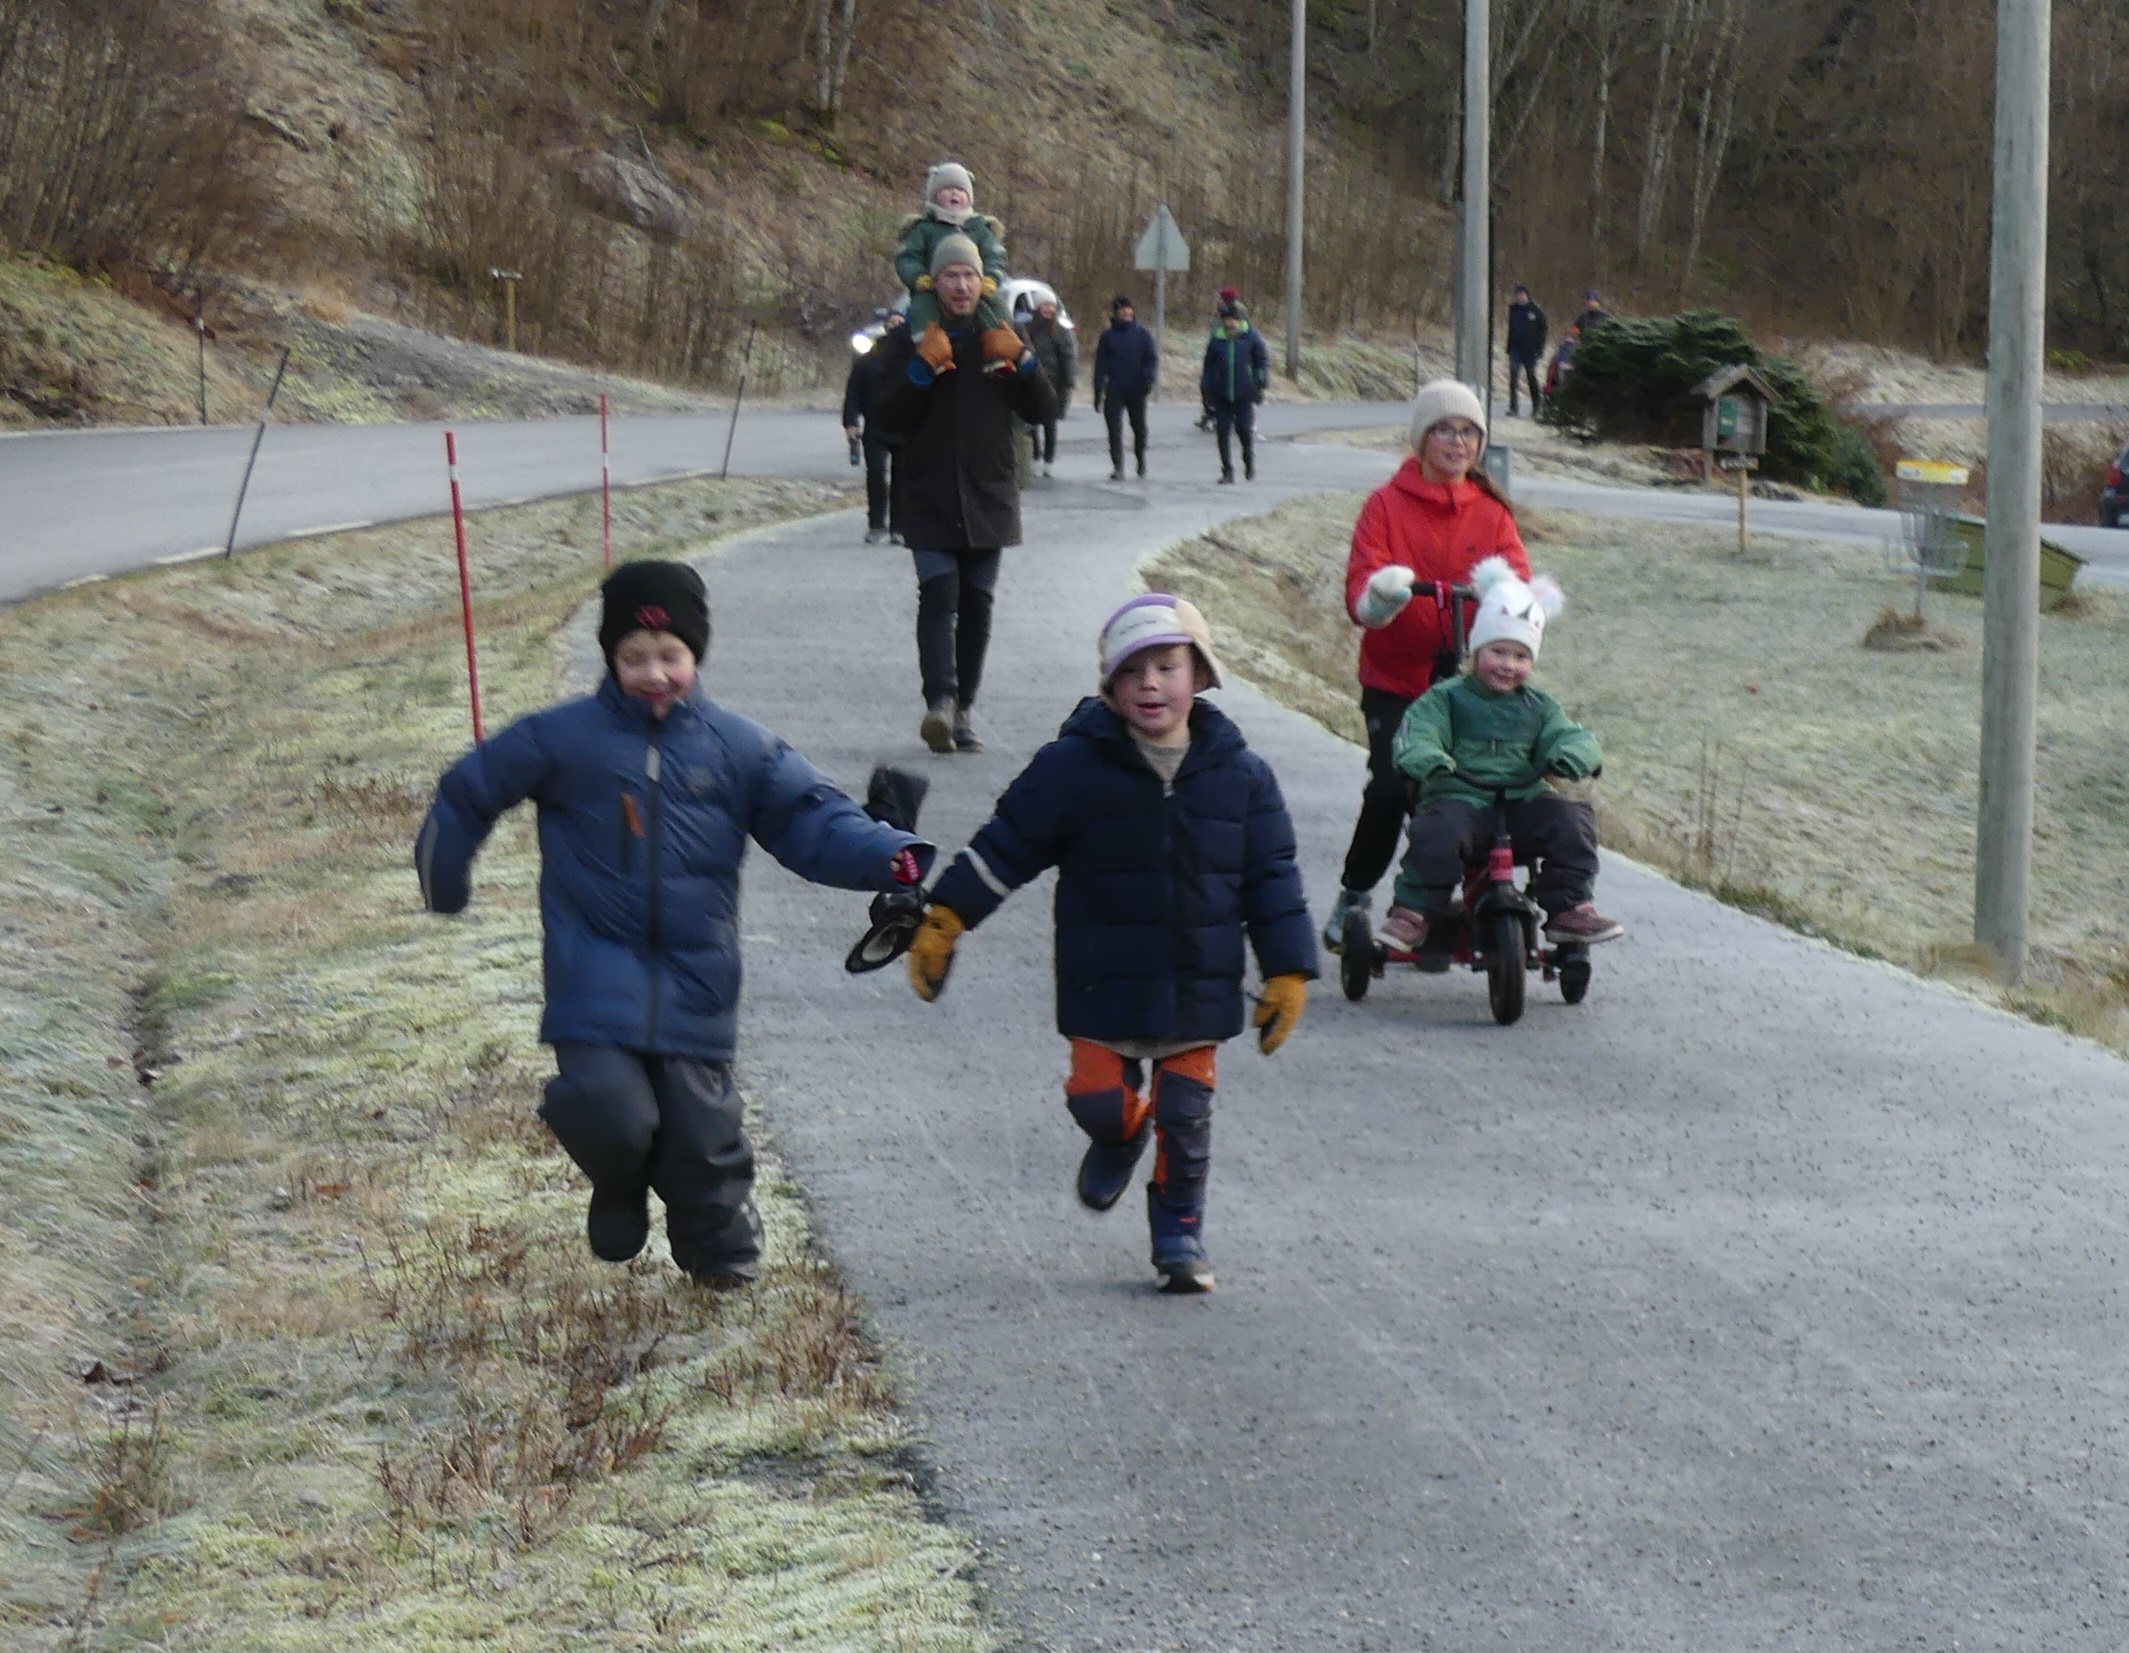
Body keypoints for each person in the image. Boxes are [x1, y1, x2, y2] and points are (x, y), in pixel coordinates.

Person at [413, 560, 934, 1287]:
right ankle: (619, 1180)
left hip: (696, 978)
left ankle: (721, 1256)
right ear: (609, 657)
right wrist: (444, 878)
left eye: (670, 656)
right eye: (633, 657)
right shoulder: (564, 738)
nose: (654, 673)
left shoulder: (737, 748)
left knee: (702, 1137)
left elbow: (812, 819)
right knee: (607, 1106)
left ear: (696, 654)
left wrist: (891, 858)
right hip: (591, 970)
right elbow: (469, 790)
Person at [904, 595, 1317, 1292]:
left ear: (1202, 676)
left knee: (1185, 1124)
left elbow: (1272, 879)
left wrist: (1288, 972)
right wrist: (947, 915)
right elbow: (1007, 843)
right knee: (1098, 1105)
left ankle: (1179, 1235)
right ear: (1108, 685)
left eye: (1166, 666)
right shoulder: (1072, 767)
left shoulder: (1241, 776)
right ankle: (1122, 1135)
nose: (1149, 684)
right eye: (1131, 672)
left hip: (1197, 985)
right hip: (1103, 982)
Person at [1319, 379, 1531, 952]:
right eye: (1443, 429)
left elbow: (1518, 583)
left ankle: (1467, 895)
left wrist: (1510, 608)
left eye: (1468, 431)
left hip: (1470, 685)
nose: (1457, 442)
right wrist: (1383, 597)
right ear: (1421, 438)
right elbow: (1362, 585)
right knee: (1393, 786)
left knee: (1475, 790)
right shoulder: (1385, 506)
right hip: (1398, 680)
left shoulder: (1490, 514)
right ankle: (1356, 894)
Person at [867, 235, 1058, 755]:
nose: (961, 284)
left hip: (988, 492)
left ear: (982, 281)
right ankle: (941, 704)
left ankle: (965, 709)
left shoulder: (1002, 333)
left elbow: (1044, 409)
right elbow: (884, 417)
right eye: (950, 275)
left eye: (969, 275)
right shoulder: (909, 337)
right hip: (926, 492)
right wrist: (918, 372)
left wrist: (1024, 364)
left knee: (977, 603)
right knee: (939, 595)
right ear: (934, 281)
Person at [1379, 556, 1624, 949]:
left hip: (1520, 800)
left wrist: (1574, 754)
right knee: (1437, 832)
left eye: (1521, 656)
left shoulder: (1538, 707)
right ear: (1477, 652)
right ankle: (1414, 911)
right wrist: (1428, 757)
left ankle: (1570, 908)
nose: (1508, 665)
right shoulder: (1446, 698)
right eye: (1498, 652)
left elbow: (1570, 735)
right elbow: (1417, 733)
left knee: (1572, 820)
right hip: (1460, 795)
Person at [895, 162, 1020, 368]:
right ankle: (932, 355)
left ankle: (998, 352)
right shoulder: (924, 229)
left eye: (960, 190)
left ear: (969, 197)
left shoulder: (980, 228)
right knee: (922, 308)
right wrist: (918, 278)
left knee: (995, 307)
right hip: (932, 287)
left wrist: (990, 278)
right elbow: (907, 258)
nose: (954, 194)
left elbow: (995, 255)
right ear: (934, 196)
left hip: (977, 288)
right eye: (947, 189)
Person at [843, 310, 906, 543]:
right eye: (892, 323)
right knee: (876, 476)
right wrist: (851, 422)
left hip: (905, 429)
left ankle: (899, 528)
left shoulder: (914, 359)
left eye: (900, 323)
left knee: (902, 480)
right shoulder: (868, 360)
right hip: (875, 429)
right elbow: (853, 393)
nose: (895, 328)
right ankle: (876, 525)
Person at [1199, 295, 1269, 483]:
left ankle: (1248, 460)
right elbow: (1208, 367)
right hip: (1221, 394)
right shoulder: (1217, 340)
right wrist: (1206, 389)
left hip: (1244, 393)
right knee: (1222, 432)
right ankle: (1227, 471)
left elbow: (1261, 363)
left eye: (1233, 320)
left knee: (1244, 431)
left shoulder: (1252, 338)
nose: (1229, 323)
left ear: (1240, 320)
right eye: (1226, 320)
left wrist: (1260, 384)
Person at [1092, 294, 1159, 481]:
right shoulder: (1108, 337)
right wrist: (1098, 391)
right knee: (1114, 429)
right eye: (1122, 310)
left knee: (1139, 428)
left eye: (1129, 309)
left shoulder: (1142, 334)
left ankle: (1140, 459)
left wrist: (1148, 378)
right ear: (1116, 313)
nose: (1126, 313)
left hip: (1137, 387)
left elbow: (1152, 358)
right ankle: (1118, 466)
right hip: (1115, 388)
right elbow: (1100, 366)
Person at [1020, 295, 1077, 477]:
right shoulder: (1027, 328)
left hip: (1054, 384)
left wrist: (1069, 381)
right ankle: (1035, 456)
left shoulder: (1061, 331)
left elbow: (1068, 357)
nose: (1049, 309)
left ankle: (1048, 461)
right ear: (1037, 307)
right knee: (1031, 422)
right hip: (1031, 380)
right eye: (1045, 305)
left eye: (1052, 306)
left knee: (1050, 423)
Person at [1504, 284, 1547, 417]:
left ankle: (1536, 406)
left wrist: (1540, 349)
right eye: (1518, 295)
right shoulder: (1513, 309)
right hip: (1516, 349)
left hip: (1530, 351)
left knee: (1531, 377)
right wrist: (1509, 347)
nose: (1520, 297)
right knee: (1513, 377)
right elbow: (1511, 329)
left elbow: (1543, 330)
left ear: (1527, 295)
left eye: (1522, 294)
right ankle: (1513, 407)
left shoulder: (1536, 310)